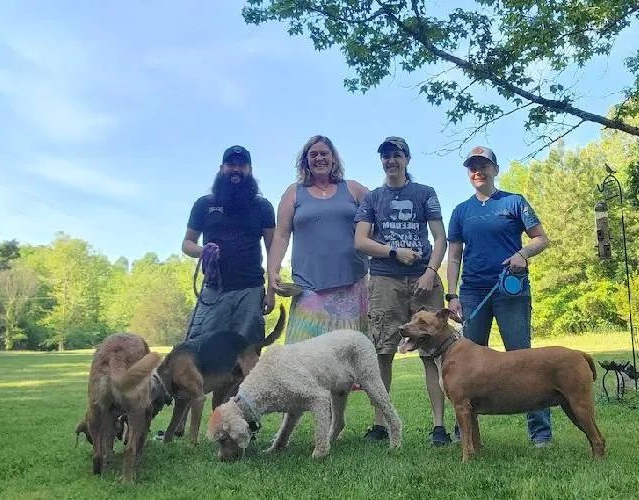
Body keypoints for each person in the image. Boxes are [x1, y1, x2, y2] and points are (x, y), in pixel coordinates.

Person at [445, 145, 552, 447]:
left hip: (510, 289)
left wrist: (522, 253)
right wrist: (452, 295)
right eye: (472, 166)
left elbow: (542, 238)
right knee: (464, 365)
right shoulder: (460, 211)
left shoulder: (514, 202)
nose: (477, 171)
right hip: (473, 292)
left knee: (523, 359)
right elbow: (454, 258)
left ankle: (540, 433)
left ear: (495, 169)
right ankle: (464, 434)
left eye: (483, 165)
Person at [354, 136, 451, 446]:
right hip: (385, 280)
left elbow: (439, 238)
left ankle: (439, 427)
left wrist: (431, 272)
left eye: (396, 155)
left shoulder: (424, 193)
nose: (390, 161)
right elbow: (360, 241)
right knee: (383, 352)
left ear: (407, 159)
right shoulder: (372, 197)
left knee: (433, 353)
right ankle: (381, 424)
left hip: (423, 280)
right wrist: (393, 251)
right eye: (385, 156)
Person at [267, 135, 370, 343]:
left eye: (324, 153)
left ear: (333, 159)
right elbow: (281, 235)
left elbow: (380, 217)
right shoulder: (294, 192)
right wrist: (272, 270)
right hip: (309, 289)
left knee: (350, 356)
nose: (319, 158)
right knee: (303, 360)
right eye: (313, 154)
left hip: (352, 286)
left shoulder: (353, 188)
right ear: (306, 161)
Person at [182, 145, 276, 347]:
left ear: (249, 170)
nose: (236, 169)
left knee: (247, 354)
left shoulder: (263, 207)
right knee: (203, 350)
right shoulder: (203, 205)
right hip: (214, 290)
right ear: (221, 168)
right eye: (231, 164)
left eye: (241, 165)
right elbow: (187, 244)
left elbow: (273, 251)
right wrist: (203, 251)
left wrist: (271, 291)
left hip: (250, 290)